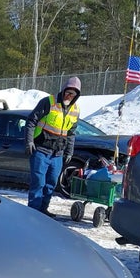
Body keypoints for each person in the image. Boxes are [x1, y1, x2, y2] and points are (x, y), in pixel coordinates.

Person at [25, 76, 81, 217]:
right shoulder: (48, 102)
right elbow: (31, 121)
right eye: (67, 92)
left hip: (58, 153)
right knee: (39, 182)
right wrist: (29, 141)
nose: (69, 96)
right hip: (41, 150)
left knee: (51, 184)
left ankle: (43, 210)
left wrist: (69, 151)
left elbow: (71, 133)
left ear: (77, 96)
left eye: (73, 94)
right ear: (63, 91)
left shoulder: (75, 110)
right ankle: (33, 212)